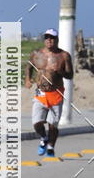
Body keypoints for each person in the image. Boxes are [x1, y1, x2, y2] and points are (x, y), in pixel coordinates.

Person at [25, 28, 73, 156]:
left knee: (53, 125)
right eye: (47, 38)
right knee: (36, 123)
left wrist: (59, 71)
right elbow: (29, 67)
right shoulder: (36, 53)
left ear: (57, 40)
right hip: (40, 93)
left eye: (52, 38)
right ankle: (43, 138)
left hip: (56, 94)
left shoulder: (64, 56)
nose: (49, 40)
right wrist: (28, 80)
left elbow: (70, 75)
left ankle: (51, 147)